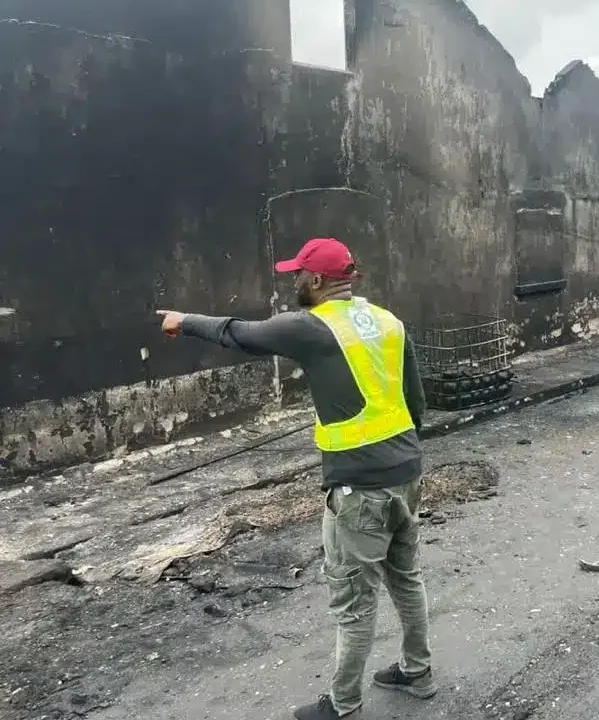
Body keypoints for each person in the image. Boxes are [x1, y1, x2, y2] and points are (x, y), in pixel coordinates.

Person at [157, 238, 437, 720]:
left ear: (316, 280)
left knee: (353, 598)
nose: (293, 282)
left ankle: (344, 704)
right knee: (406, 578)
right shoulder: (390, 323)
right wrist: (402, 456)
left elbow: (241, 334)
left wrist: (184, 321)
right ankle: (417, 671)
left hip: (358, 488)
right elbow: (416, 402)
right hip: (406, 472)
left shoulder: (312, 326)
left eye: (297, 275)